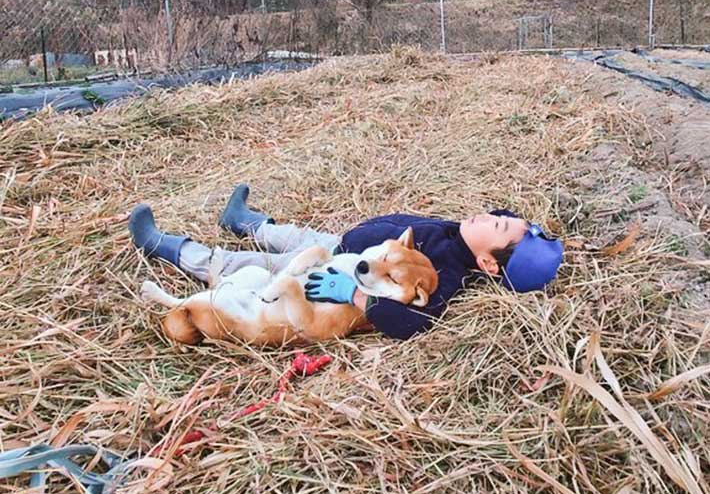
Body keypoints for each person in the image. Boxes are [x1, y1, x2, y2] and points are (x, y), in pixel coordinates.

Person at [129, 184, 563, 342]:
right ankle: (244, 220)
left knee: (250, 265)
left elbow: (412, 322)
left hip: (333, 273)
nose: (494, 217)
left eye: (501, 227)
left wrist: (353, 293)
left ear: (488, 264)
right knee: (288, 235)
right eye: (502, 216)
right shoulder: (457, 233)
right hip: (338, 246)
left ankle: (166, 247)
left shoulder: (446, 271)